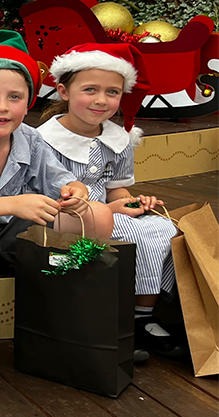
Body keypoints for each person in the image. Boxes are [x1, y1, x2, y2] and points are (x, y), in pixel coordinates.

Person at [0, 30, 109, 378]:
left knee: (97, 215)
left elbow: (61, 182)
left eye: (14, 97)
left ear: (27, 105)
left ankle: (74, 315)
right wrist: (13, 203)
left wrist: (75, 191)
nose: (2, 107)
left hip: (15, 238)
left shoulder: (31, 139)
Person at [39, 42, 185, 361]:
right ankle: (121, 315)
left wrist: (133, 203)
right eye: (90, 89)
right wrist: (109, 210)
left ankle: (144, 313)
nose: (101, 100)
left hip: (108, 212)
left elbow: (117, 190)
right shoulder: (44, 140)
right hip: (65, 216)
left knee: (161, 228)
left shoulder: (117, 139)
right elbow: (50, 198)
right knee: (131, 233)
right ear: (63, 91)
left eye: (112, 92)